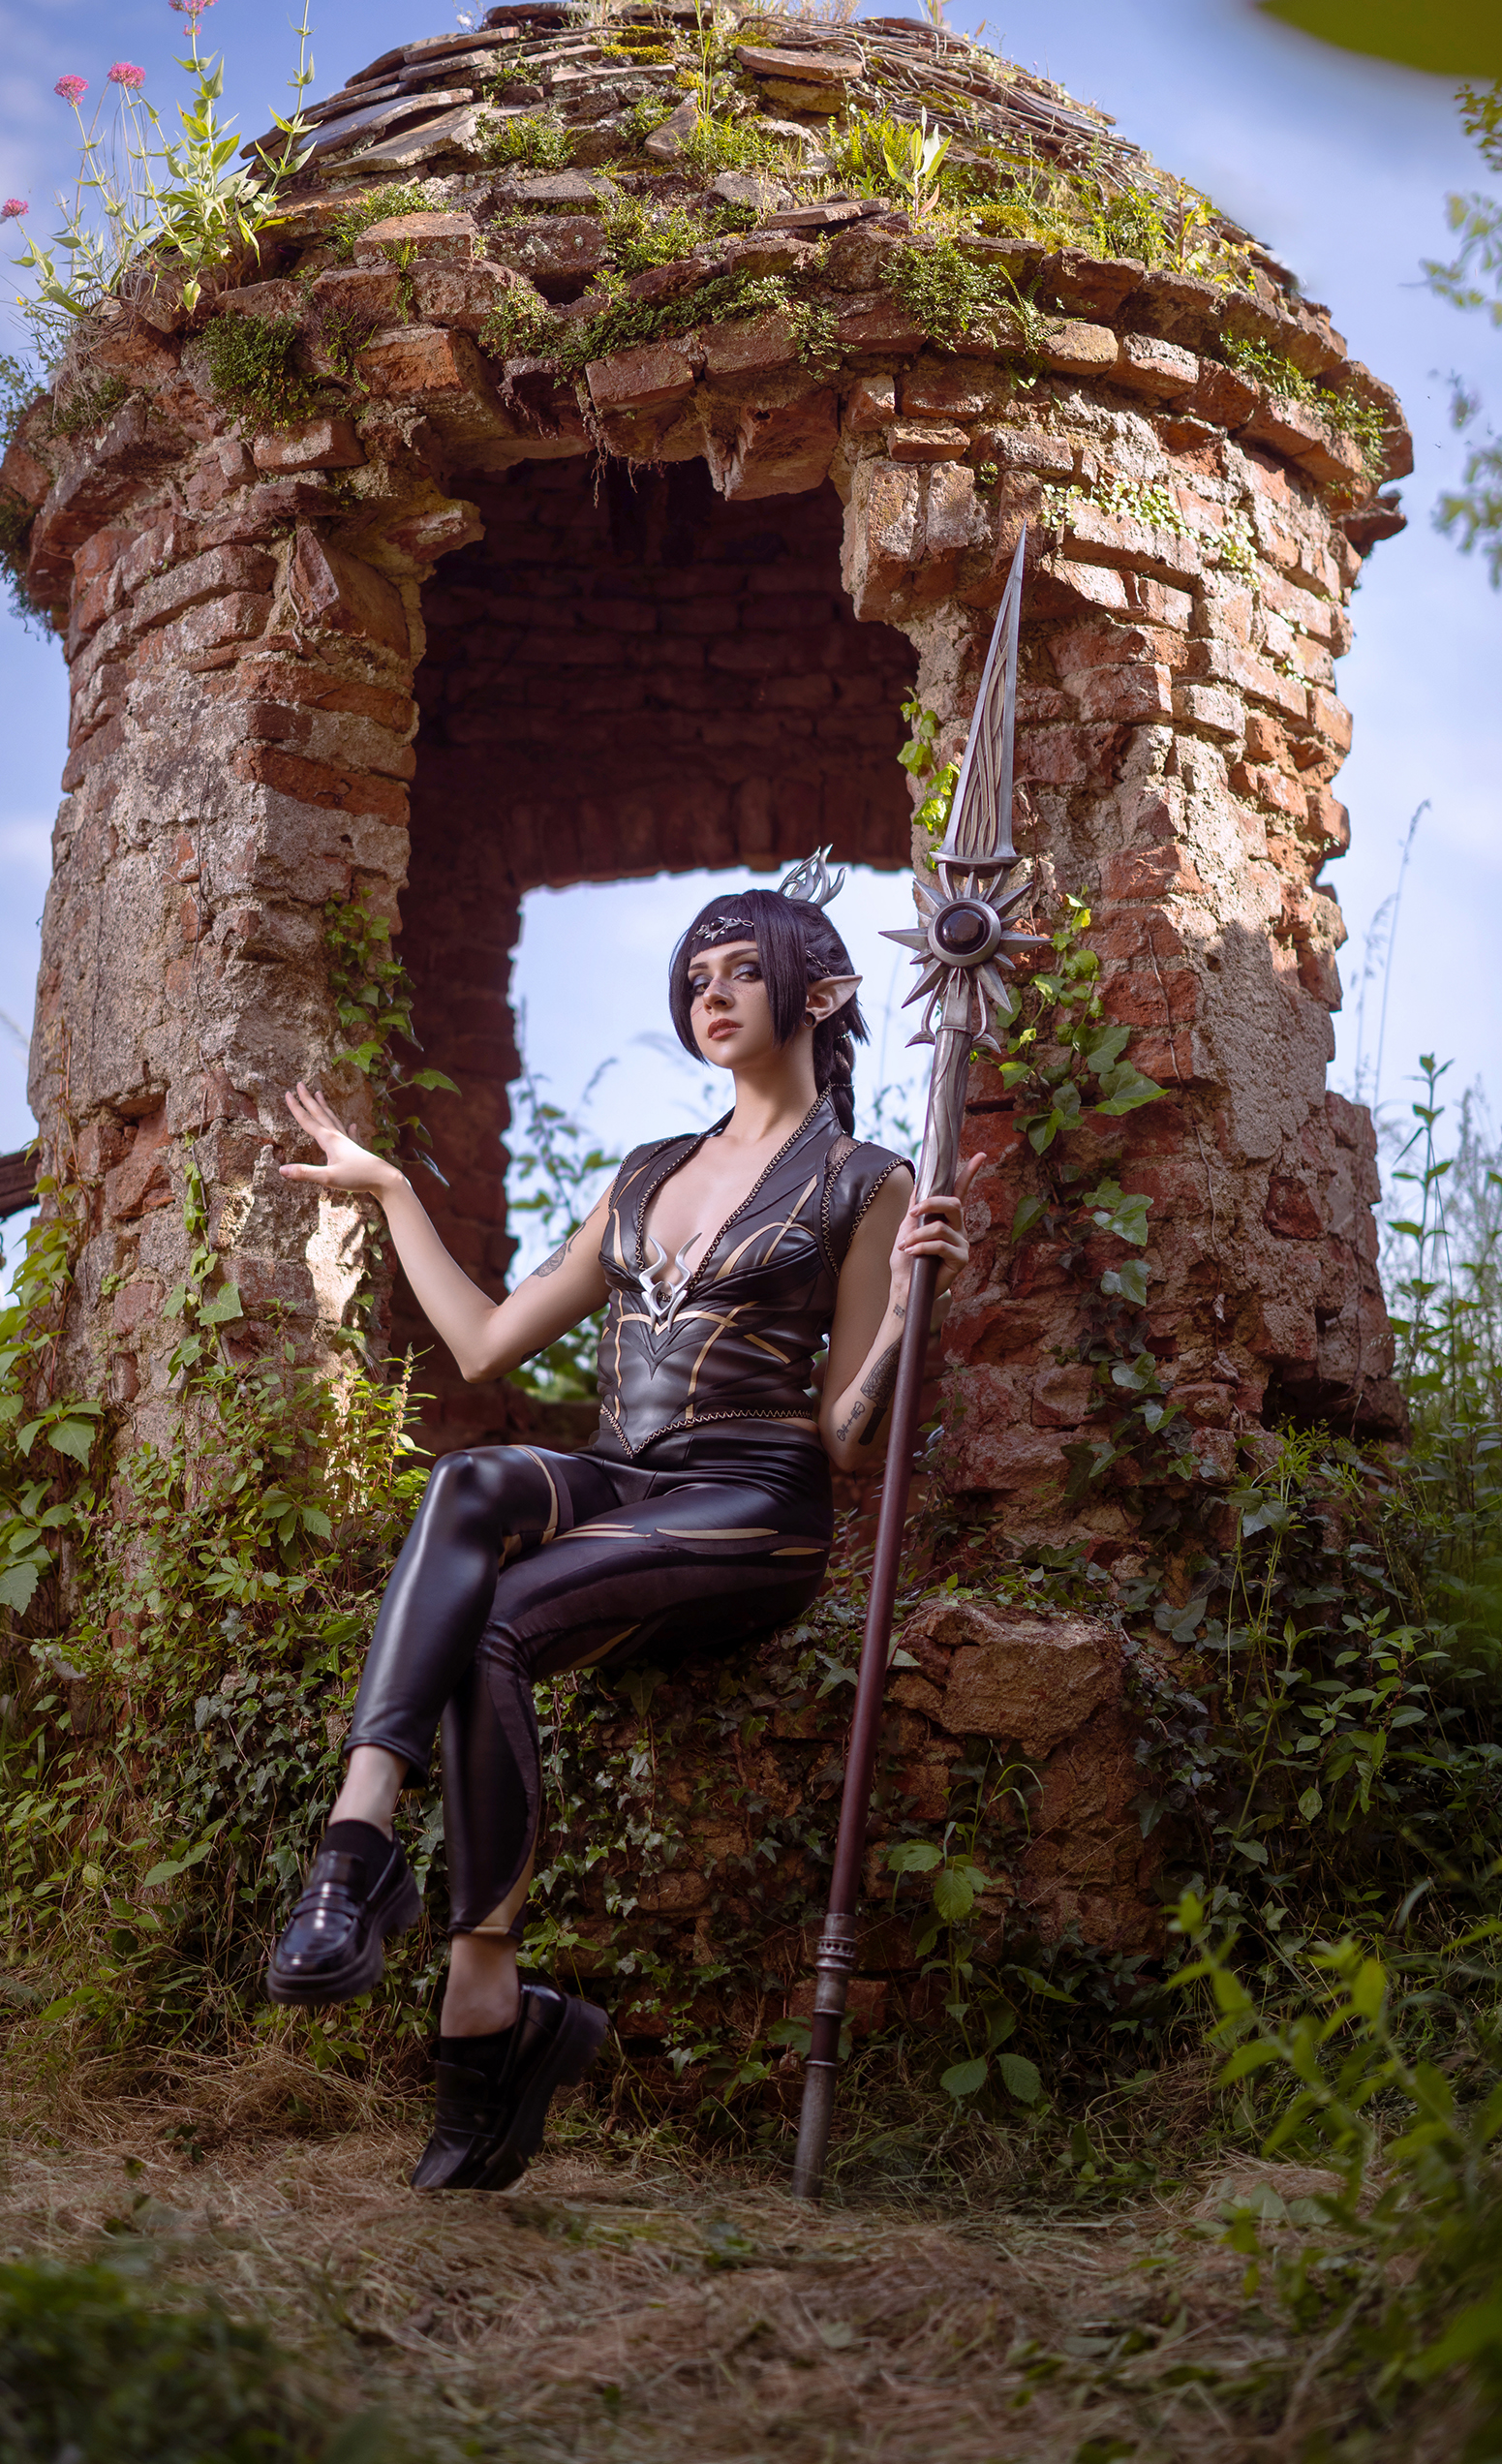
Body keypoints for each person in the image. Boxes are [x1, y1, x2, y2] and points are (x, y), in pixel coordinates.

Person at [265, 857, 980, 2194]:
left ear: (822, 996)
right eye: (695, 975)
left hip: (754, 1504)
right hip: (627, 1480)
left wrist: (901, 1312)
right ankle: (359, 1847)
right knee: (469, 1482)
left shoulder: (866, 1180)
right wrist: (393, 1191)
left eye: (744, 970)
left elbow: (845, 1436)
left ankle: (483, 1993)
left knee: (495, 1623)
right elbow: (484, 1347)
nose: (713, 993)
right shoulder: (648, 1174)